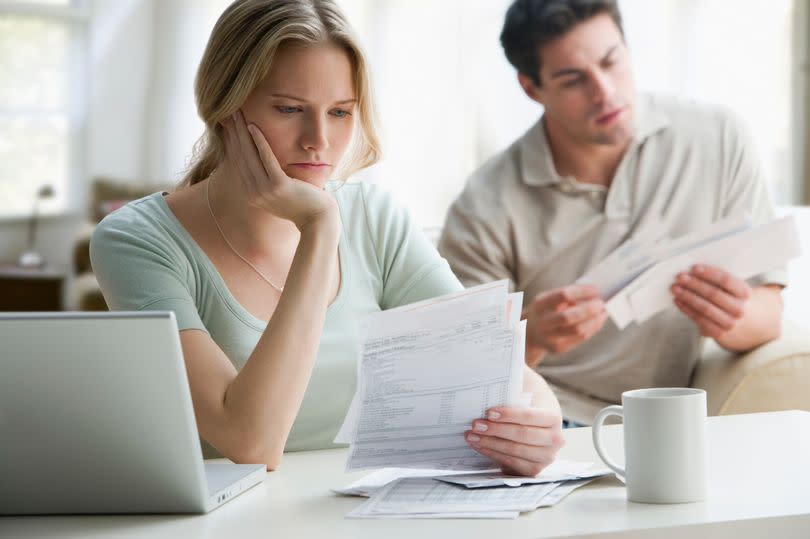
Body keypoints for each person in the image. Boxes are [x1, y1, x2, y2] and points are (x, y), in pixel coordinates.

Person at [90, 0, 565, 475]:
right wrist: (319, 229)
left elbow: (503, 377)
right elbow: (249, 443)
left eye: (340, 112)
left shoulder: (376, 219)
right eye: (290, 109)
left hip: (369, 510)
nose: (318, 139)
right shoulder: (137, 241)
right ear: (223, 107)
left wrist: (537, 425)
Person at [438, 0, 787, 426]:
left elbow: (768, 316)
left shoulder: (717, 137)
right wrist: (533, 335)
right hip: (548, 420)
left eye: (611, 61)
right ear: (531, 88)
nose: (604, 92)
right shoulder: (484, 204)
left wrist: (731, 316)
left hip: (667, 415)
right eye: (572, 80)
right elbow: (461, 375)